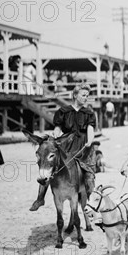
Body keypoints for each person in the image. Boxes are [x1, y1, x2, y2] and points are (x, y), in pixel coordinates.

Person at [30, 83, 97, 211]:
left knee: (89, 176)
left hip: (84, 148)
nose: (85, 98)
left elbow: (90, 129)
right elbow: (58, 128)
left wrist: (90, 139)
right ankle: (40, 198)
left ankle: (90, 202)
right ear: (75, 95)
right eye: (83, 95)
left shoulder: (89, 113)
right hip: (67, 146)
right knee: (51, 169)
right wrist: (56, 133)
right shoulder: (63, 112)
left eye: (87, 96)